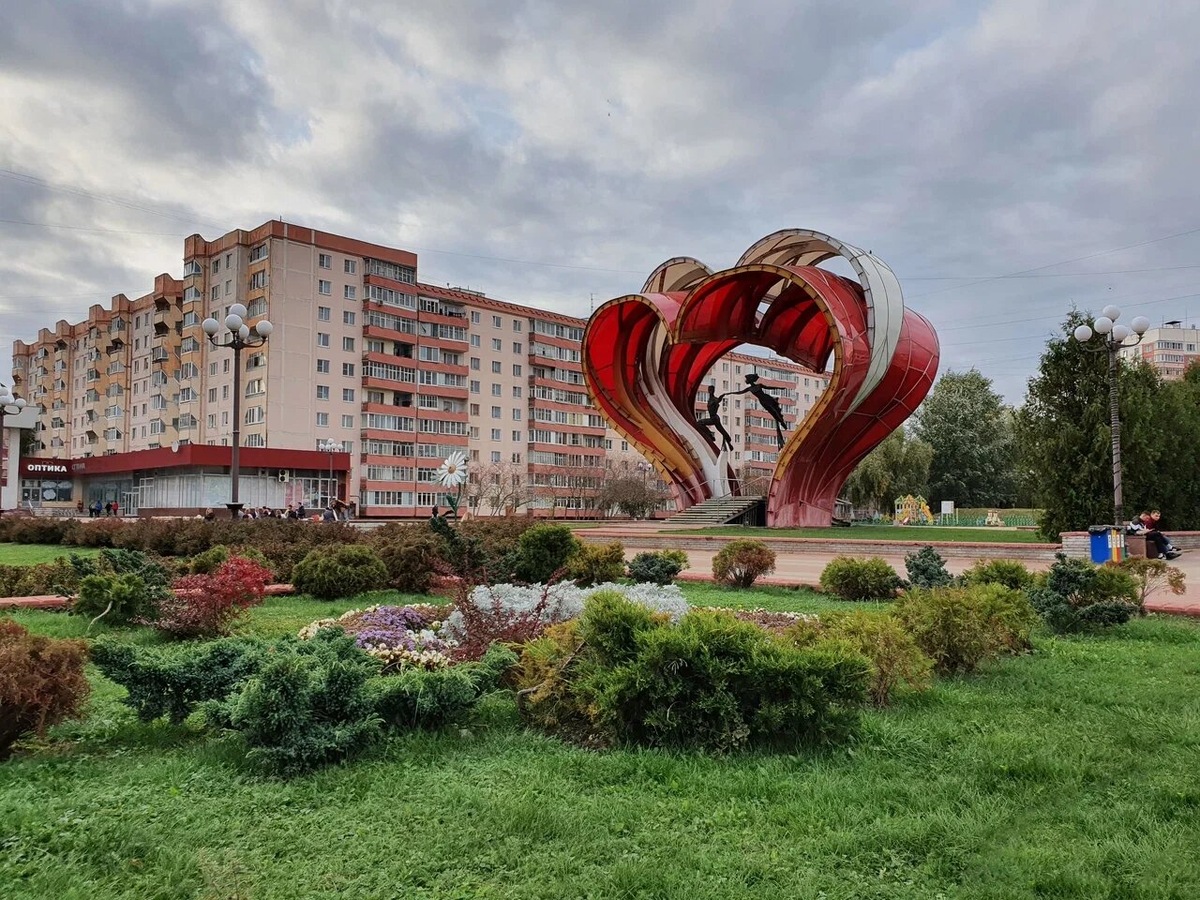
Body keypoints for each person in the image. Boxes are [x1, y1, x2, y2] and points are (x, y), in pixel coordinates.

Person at [733, 373, 787, 448]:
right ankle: (781, 422)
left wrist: (779, 388)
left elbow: (769, 387)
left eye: (747, 379)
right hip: (763, 401)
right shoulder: (749, 389)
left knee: (775, 410)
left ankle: (782, 422)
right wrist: (729, 393)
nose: (747, 381)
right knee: (772, 412)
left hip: (766, 398)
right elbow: (739, 392)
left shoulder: (759, 385)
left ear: (751, 380)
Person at [694, 383, 735, 451]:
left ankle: (710, 435)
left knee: (700, 422)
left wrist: (721, 396)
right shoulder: (710, 399)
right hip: (714, 418)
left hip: (714, 418)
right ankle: (727, 440)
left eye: (711, 390)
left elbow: (718, 400)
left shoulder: (714, 399)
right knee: (721, 430)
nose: (710, 391)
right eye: (709, 389)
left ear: (713, 391)